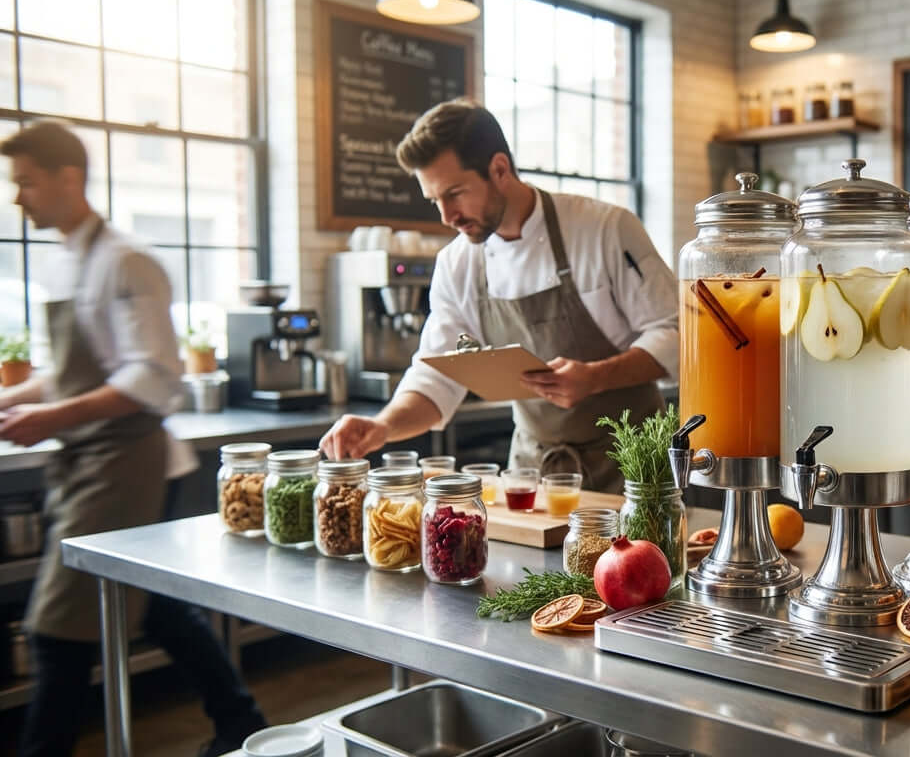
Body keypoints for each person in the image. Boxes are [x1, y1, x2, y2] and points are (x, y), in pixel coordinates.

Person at [0, 121, 267, 757]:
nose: (18, 199)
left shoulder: (126, 260)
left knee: (56, 634)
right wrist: (14, 399)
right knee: (163, 610)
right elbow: (67, 373)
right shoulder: (70, 262)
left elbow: (153, 376)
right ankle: (240, 719)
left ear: (70, 179)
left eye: (27, 183)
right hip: (90, 459)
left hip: (128, 462)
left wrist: (53, 418)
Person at [318, 100, 678, 492]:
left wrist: (594, 377)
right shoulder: (458, 263)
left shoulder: (604, 229)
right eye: (434, 200)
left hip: (634, 469)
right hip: (533, 475)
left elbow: (678, 335)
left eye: (455, 193)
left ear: (499, 169)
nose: (446, 216)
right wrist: (382, 426)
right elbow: (436, 376)